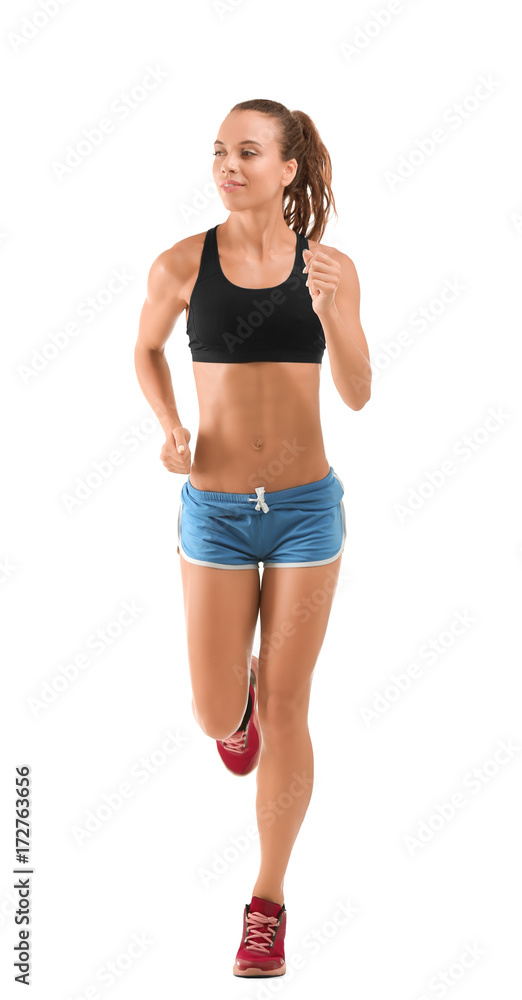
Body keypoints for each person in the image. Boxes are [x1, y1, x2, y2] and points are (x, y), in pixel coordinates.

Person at [134, 97, 371, 978]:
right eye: (219, 151)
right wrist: (170, 426)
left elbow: (359, 392)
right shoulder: (180, 264)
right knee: (214, 714)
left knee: (286, 706)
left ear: (288, 168)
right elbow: (145, 351)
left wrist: (335, 311)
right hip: (218, 511)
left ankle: (266, 903)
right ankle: (235, 712)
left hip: (307, 511)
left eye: (248, 151)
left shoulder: (330, 267)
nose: (228, 166)